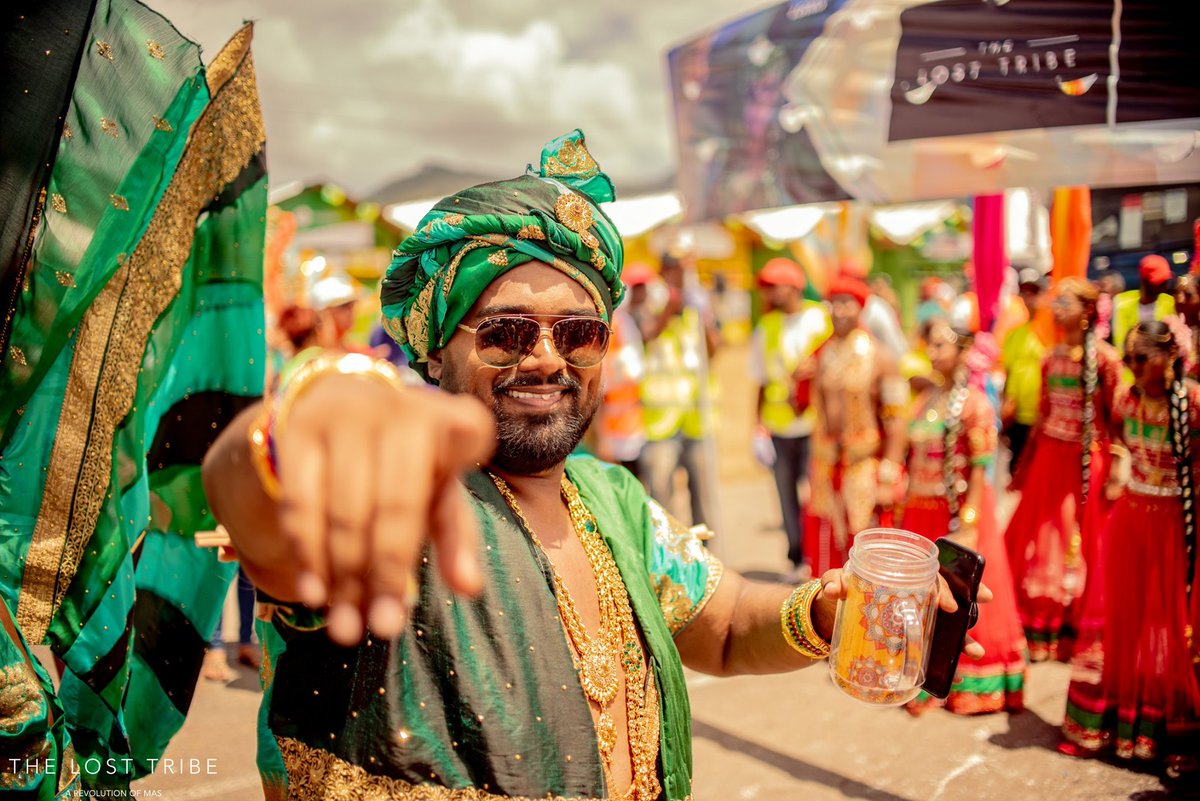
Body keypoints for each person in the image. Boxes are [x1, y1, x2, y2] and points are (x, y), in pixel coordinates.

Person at [202, 132, 979, 800]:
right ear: (439, 347)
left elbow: (726, 624)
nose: (546, 358)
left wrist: (821, 612)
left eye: (578, 331)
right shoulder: (402, 499)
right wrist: (308, 422)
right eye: (506, 332)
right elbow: (262, 498)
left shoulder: (611, 496)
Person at [1060, 321, 1200, 780]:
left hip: (1174, 524)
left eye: (1144, 358)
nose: (1135, 367)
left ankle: (1172, 727)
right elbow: (1117, 440)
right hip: (1132, 519)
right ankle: (1125, 725)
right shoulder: (1125, 398)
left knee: (1172, 620)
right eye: (1131, 358)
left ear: (1171, 356)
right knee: (1129, 619)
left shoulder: (1194, 403)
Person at [901, 321, 1027, 715]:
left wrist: (969, 521)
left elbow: (980, 466)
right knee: (924, 598)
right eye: (930, 344)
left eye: (941, 345)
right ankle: (925, 675)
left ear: (961, 351)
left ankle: (970, 679)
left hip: (955, 513)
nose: (933, 352)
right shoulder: (927, 397)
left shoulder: (973, 403)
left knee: (960, 597)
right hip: (922, 510)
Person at [1005, 278, 1123, 662]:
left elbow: (1116, 418)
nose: (1056, 309)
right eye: (1055, 302)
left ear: (1088, 311)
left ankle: (1081, 625)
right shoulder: (1050, 357)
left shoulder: (1106, 360)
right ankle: (1042, 625)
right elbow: (1042, 414)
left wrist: (1118, 467)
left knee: (1087, 540)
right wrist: (1024, 466)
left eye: (1065, 303)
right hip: (1050, 458)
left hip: (1087, 459)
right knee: (1042, 537)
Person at [804, 274, 908, 576]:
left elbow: (897, 417)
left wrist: (888, 472)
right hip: (825, 466)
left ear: (861, 308)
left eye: (846, 304)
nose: (839, 311)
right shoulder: (821, 355)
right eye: (834, 303)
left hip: (863, 464)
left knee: (863, 550)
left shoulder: (882, 358)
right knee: (825, 546)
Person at [748, 258, 831, 581]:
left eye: (773, 286)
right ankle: (796, 558)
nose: (768, 293)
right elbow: (759, 381)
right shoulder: (765, 327)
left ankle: (817, 556)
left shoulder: (821, 318)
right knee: (785, 496)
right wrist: (757, 427)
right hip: (779, 426)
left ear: (793, 286)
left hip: (815, 425)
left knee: (815, 494)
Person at [638, 248, 721, 528]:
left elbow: (713, 351)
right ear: (664, 270)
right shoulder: (650, 298)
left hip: (697, 418)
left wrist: (705, 318)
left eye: (686, 269)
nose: (683, 275)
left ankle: (711, 563)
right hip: (662, 423)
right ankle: (669, 565)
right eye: (677, 269)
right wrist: (670, 308)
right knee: (662, 500)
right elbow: (645, 335)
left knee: (705, 500)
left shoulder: (697, 302)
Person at [591, 262, 651, 476]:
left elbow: (634, 374)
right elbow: (600, 387)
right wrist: (603, 438)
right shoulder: (607, 328)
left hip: (634, 430)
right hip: (613, 434)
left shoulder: (626, 324)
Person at [1001, 268, 1049, 471]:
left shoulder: (1052, 331)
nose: (1029, 298)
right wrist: (1004, 409)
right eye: (1025, 292)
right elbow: (1008, 372)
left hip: (1043, 416)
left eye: (1034, 292)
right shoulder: (1013, 334)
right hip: (1019, 417)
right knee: (1018, 468)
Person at [1111, 254, 1176, 349]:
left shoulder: (1170, 303)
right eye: (1160, 282)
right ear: (1144, 282)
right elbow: (1120, 344)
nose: (1164, 286)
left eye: (1165, 281)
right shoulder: (1122, 303)